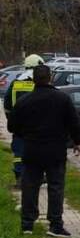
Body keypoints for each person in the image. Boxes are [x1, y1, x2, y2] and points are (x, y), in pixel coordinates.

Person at [8, 64, 80, 237]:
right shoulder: (62, 99)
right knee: (56, 187)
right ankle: (55, 225)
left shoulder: (24, 101)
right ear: (50, 78)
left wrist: (26, 134)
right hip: (56, 151)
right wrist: (77, 142)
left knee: (30, 187)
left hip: (32, 150)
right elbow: (74, 122)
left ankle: (27, 225)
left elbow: (12, 126)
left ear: (33, 79)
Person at [3, 54, 44, 188]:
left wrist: (11, 120)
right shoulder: (40, 83)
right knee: (37, 151)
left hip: (19, 126)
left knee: (19, 153)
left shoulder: (16, 83)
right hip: (37, 126)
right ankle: (36, 177)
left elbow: (7, 104)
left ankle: (20, 177)